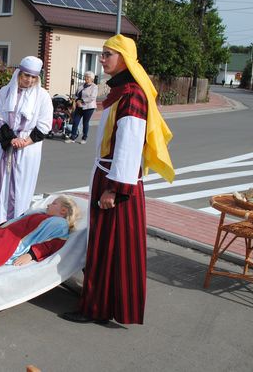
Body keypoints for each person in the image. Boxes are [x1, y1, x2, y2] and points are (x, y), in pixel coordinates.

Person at [61, 34, 175, 326]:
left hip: (117, 183)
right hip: (108, 176)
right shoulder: (120, 92)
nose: (102, 59)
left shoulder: (132, 95)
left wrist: (115, 189)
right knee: (104, 247)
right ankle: (98, 303)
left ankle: (98, 307)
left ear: (123, 59)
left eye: (107, 54)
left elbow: (129, 145)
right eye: (102, 53)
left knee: (111, 249)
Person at [0, 56, 53, 227]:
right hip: (6, 147)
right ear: (19, 73)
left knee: (20, 188)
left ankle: (15, 229)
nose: (29, 80)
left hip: (28, 150)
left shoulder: (42, 96)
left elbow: (45, 124)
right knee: (0, 186)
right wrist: (11, 139)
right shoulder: (5, 92)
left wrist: (25, 142)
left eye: (33, 77)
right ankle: (0, 226)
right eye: (26, 75)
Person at [66, 71, 97, 144]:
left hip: (89, 107)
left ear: (92, 79)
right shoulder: (81, 85)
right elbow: (76, 95)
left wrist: (82, 101)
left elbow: (92, 97)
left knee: (85, 122)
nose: (86, 78)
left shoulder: (94, 87)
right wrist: (77, 100)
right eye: (85, 76)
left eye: (88, 77)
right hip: (79, 107)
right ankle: (72, 137)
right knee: (75, 121)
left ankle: (84, 138)